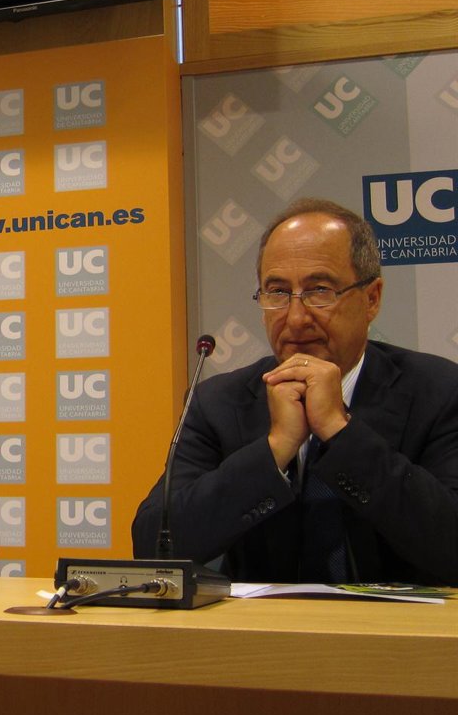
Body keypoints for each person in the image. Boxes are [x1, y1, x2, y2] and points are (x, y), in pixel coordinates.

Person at [132, 198, 458, 585]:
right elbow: (154, 546)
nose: (297, 318)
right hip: (268, 624)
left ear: (372, 298)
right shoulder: (219, 402)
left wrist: (338, 430)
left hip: (397, 623)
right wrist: (276, 447)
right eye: (278, 293)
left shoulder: (438, 391)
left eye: (320, 290)